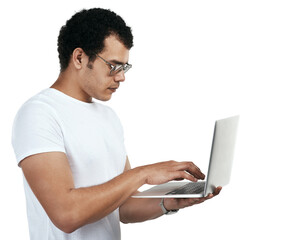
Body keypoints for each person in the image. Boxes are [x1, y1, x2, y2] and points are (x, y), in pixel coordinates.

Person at [12, 8, 221, 240]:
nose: (121, 77)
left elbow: (122, 207)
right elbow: (66, 214)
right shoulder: (39, 113)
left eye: (124, 67)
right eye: (113, 65)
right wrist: (143, 174)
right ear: (79, 58)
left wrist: (170, 202)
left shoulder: (109, 117)